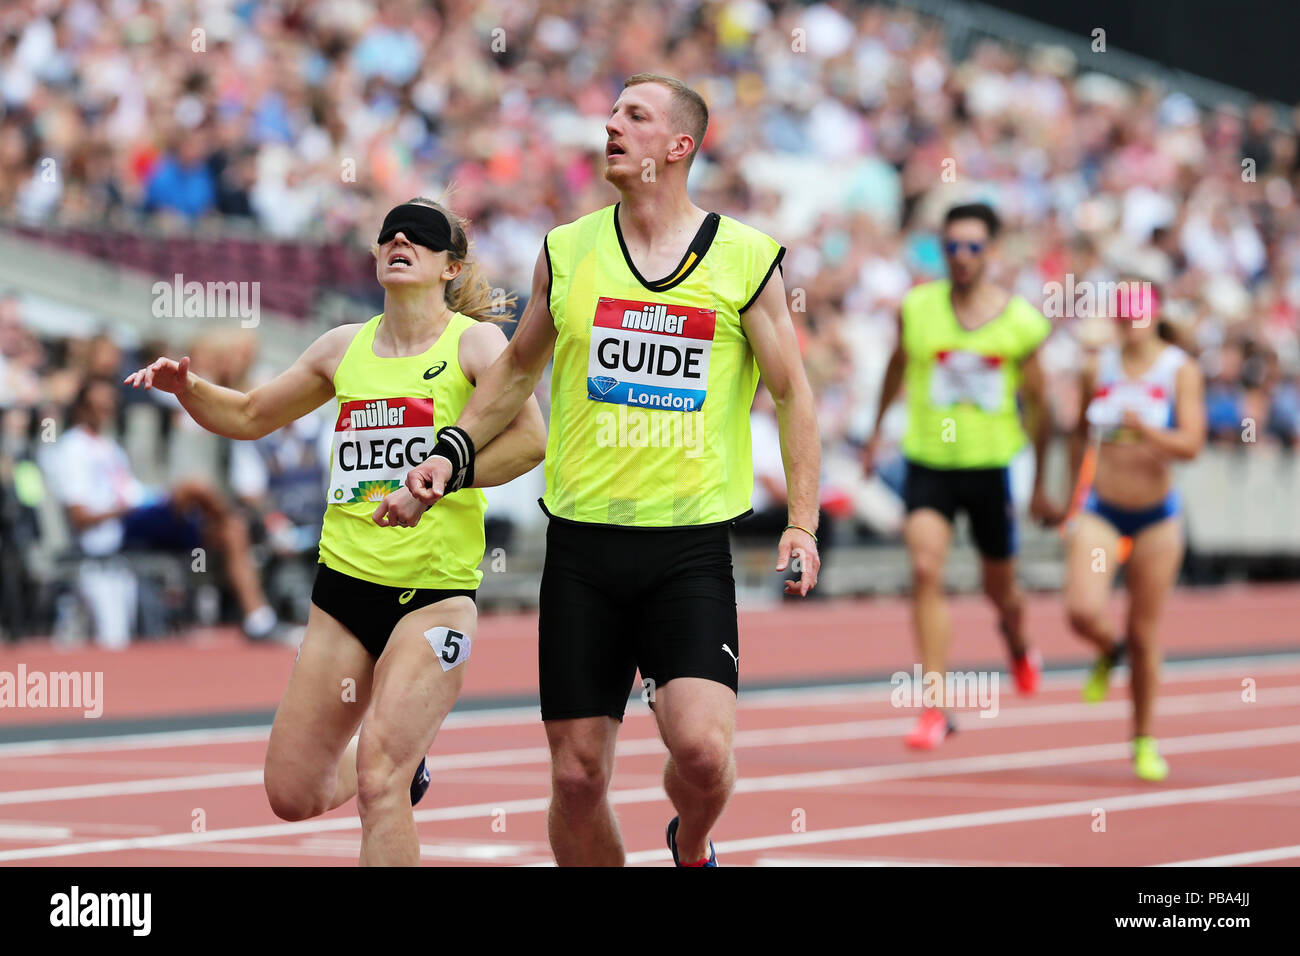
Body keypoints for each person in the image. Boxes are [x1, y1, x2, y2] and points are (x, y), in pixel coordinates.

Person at [402, 73, 822, 867]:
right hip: (584, 548)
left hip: (688, 546)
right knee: (578, 773)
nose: (611, 125)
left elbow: (795, 394)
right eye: (611, 112)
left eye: (635, 115)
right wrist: (448, 450)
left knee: (700, 752)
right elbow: (516, 373)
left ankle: (691, 842)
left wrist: (801, 520)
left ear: (679, 145)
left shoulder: (743, 258)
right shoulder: (567, 250)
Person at [124, 198, 547, 864]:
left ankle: (396, 756)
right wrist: (189, 388)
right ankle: (401, 752)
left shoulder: (472, 343)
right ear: (377, 256)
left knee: (383, 783)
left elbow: (529, 443)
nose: (400, 238)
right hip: (343, 594)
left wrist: (442, 479)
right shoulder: (342, 347)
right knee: (292, 792)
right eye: (389, 234)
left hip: (433, 597)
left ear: (450, 265)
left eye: (421, 235)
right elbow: (251, 414)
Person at [862, 202, 1058, 749]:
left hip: (990, 466)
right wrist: (877, 431)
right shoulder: (919, 307)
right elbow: (897, 366)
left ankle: (1017, 640)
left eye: (973, 247)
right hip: (929, 463)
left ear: (992, 252)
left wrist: (1042, 484)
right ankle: (935, 707)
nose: (962, 257)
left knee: (1002, 590)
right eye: (952, 247)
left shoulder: (1020, 322)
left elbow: (1042, 408)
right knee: (925, 568)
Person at [1062, 284, 1204, 781]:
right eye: (1120, 310)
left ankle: (1143, 739)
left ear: (1155, 312)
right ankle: (1106, 647)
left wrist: (1146, 431)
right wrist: (1066, 497)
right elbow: (1079, 434)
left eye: (1138, 309)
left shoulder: (1178, 369)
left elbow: (1192, 444)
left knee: (1145, 633)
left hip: (1156, 517)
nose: (1129, 319)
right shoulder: (1096, 367)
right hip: (1103, 509)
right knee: (1081, 610)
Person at [45, 375, 278, 646]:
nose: (108, 411)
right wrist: (126, 508)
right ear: (82, 407)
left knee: (231, 530)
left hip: (136, 515)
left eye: (110, 405)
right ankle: (257, 524)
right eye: (101, 406)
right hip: (116, 528)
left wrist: (148, 498)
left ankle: (259, 618)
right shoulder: (73, 448)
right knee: (196, 487)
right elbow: (79, 515)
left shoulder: (109, 446)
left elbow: (129, 489)